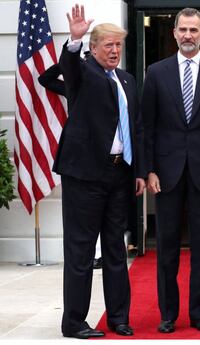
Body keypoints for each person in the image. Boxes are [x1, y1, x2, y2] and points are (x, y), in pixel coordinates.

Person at [54, 4, 146, 339]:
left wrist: (138, 170)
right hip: (84, 176)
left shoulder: (127, 79)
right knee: (80, 252)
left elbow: (135, 126)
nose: (114, 50)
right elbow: (68, 69)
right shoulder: (83, 72)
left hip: (119, 174)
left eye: (118, 45)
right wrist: (74, 41)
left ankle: (118, 318)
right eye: (107, 44)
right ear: (93, 48)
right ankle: (74, 321)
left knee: (116, 251)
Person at [141, 7, 200, 334]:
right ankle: (168, 314)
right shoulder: (156, 71)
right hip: (165, 173)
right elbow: (146, 126)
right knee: (165, 246)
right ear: (174, 33)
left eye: (194, 30)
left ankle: (199, 313)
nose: (188, 35)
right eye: (183, 29)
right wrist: (148, 169)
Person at [38, 48, 104, 270]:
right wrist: (66, 63)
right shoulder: (74, 86)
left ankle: (101, 254)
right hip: (82, 153)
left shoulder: (109, 83)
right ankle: (92, 256)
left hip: (106, 154)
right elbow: (44, 79)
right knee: (84, 214)